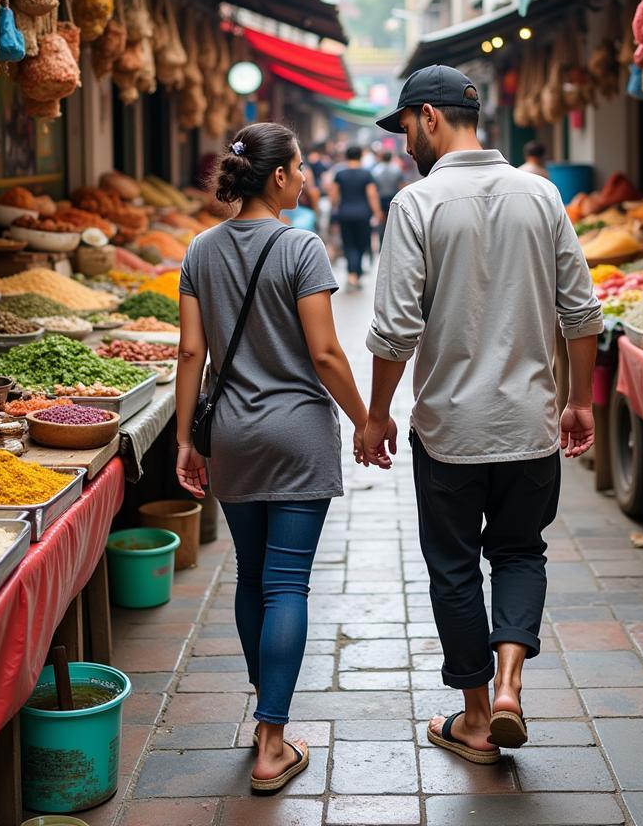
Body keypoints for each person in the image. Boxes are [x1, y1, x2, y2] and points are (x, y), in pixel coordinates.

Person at [360, 65, 602, 764]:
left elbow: (394, 328)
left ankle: (472, 719)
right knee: (522, 552)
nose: (404, 142)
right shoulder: (541, 194)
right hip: (529, 426)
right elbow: (582, 311)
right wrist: (579, 399)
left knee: (455, 566)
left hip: (449, 432)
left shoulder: (417, 204)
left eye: (405, 125)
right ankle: (508, 686)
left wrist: (376, 415)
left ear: (429, 117)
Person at [174, 123, 372, 795]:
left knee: (250, 578)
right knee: (288, 583)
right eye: (300, 169)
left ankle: (267, 710)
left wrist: (182, 439)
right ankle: (271, 741)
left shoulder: (199, 249)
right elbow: (324, 353)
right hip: (296, 435)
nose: (308, 179)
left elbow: (189, 355)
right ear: (280, 176)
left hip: (229, 433)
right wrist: (367, 417)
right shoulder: (302, 248)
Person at [329, 145, 382, 290]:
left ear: (346, 156)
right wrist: (377, 212)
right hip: (363, 214)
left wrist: (335, 209)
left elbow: (333, 196)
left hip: (345, 214)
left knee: (348, 244)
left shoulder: (340, 174)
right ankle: (355, 275)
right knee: (361, 244)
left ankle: (353, 275)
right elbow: (372, 195)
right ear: (361, 156)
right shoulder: (366, 174)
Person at [370, 150, 405, 244]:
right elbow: (402, 185)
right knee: (393, 222)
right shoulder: (396, 169)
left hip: (380, 199)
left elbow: (374, 188)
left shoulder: (376, 170)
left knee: (381, 223)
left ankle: (382, 243)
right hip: (393, 197)